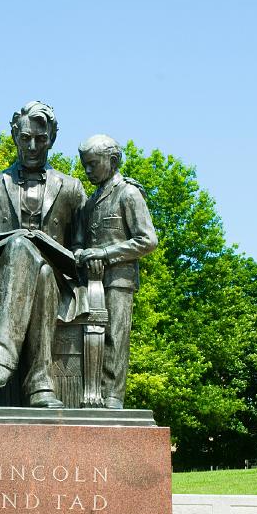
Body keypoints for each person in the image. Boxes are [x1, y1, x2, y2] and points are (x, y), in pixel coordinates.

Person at [0, 102, 86, 408]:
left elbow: (80, 248)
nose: (33, 146)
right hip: (1, 283)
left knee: (45, 271)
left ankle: (3, 356)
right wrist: (0, 244)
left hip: (56, 284)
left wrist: (80, 257)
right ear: (14, 136)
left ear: (52, 138)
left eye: (41, 139)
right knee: (21, 246)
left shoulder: (72, 189)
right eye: (25, 138)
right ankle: (39, 384)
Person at [77, 134, 158, 409]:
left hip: (119, 281)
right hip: (90, 281)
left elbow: (147, 240)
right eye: (84, 165)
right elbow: (81, 242)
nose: (87, 171)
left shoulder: (129, 193)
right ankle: (91, 393)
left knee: (114, 338)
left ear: (112, 161)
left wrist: (105, 254)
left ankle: (112, 397)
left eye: (92, 164)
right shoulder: (90, 202)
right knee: (91, 337)